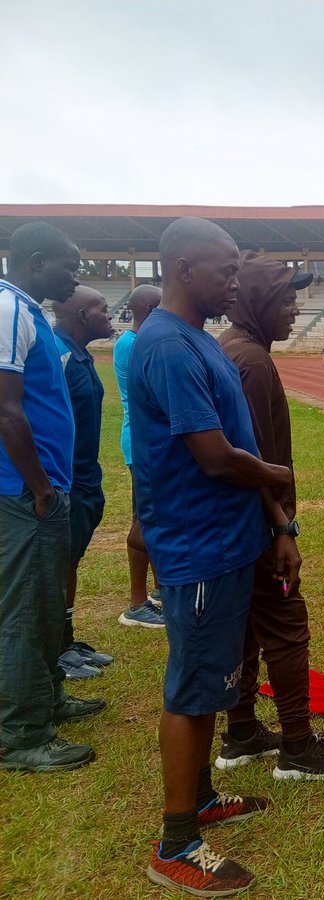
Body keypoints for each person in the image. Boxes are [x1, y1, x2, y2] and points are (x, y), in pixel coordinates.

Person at [131, 218, 297, 893]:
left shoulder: (198, 341)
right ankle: (176, 843)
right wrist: (277, 479)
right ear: (182, 270)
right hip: (198, 546)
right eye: (223, 269)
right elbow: (215, 456)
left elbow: (235, 444)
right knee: (194, 691)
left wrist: (278, 525)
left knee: (211, 680)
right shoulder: (167, 347)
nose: (234, 281)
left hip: (230, 540)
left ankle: (200, 799)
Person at [217, 251, 324, 781]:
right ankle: (298, 747)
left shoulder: (235, 347)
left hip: (239, 522)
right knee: (285, 626)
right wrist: (282, 527)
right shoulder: (251, 360)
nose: (296, 311)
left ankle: (240, 732)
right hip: (259, 523)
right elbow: (250, 456)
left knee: (245, 631)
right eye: (286, 299)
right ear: (258, 301)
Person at [0, 221, 104, 774]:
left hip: (40, 488)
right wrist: (40, 488)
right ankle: (22, 735)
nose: (76, 274)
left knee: (42, 606)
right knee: (24, 610)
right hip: (22, 493)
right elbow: (6, 410)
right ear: (36, 261)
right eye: (70, 264)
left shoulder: (28, 310)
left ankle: (48, 700)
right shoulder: (9, 310)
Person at [51, 285, 116, 680]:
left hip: (86, 477)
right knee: (58, 566)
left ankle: (67, 639)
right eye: (102, 309)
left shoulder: (82, 356)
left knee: (71, 561)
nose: (109, 316)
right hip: (65, 480)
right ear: (80, 315)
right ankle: (56, 649)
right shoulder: (56, 355)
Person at [114, 284, 165, 628]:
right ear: (148, 309)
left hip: (148, 441)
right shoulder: (133, 345)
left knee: (156, 516)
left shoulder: (134, 343)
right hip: (142, 442)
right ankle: (135, 603)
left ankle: (161, 590)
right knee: (144, 519)